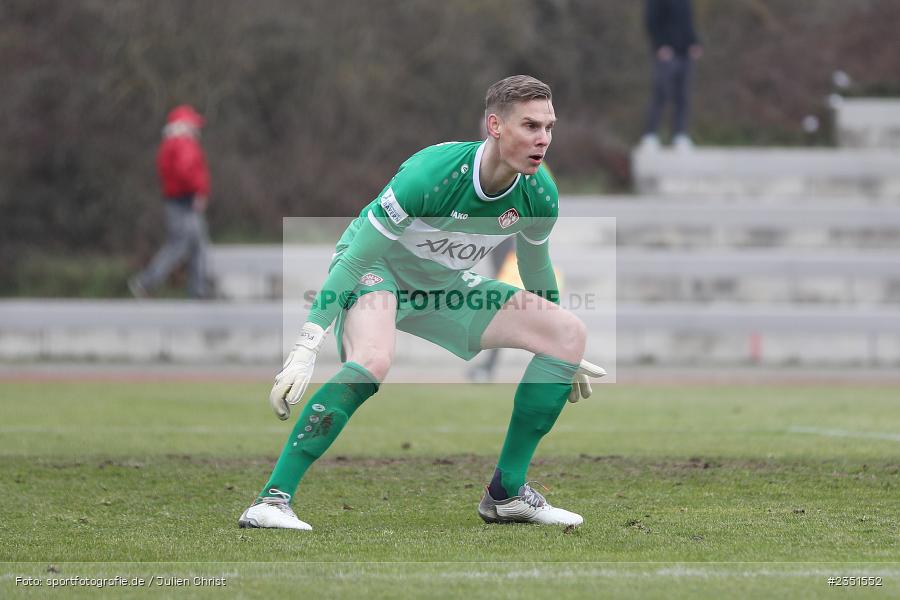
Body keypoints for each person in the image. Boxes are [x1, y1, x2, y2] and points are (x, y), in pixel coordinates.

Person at [238, 75, 606, 531]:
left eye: (549, 127)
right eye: (530, 126)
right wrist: (306, 345)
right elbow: (356, 260)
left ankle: (507, 495)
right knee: (372, 360)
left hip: (443, 287)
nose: (543, 139)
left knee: (568, 333)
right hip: (378, 271)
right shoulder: (431, 174)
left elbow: (536, 270)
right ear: (495, 125)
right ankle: (271, 501)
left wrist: (557, 352)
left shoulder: (539, 194)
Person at [129, 105, 211, 299]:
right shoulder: (183, 143)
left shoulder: (170, 143)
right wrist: (197, 192)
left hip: (177, 200)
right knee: (182, 245)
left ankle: (199, 291)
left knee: (196, 245)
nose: (196, 129)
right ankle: (146, 282)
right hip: (185, 201)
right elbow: (186, 170)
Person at [640, 0, 703, 151]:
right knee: (660, 94)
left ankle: (680, 134)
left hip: (684, 52)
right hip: (666, 53)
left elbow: (688, 22)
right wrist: (660, 45)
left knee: (683, 96)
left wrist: (694, 42)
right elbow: (651, 21)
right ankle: (651, 135)